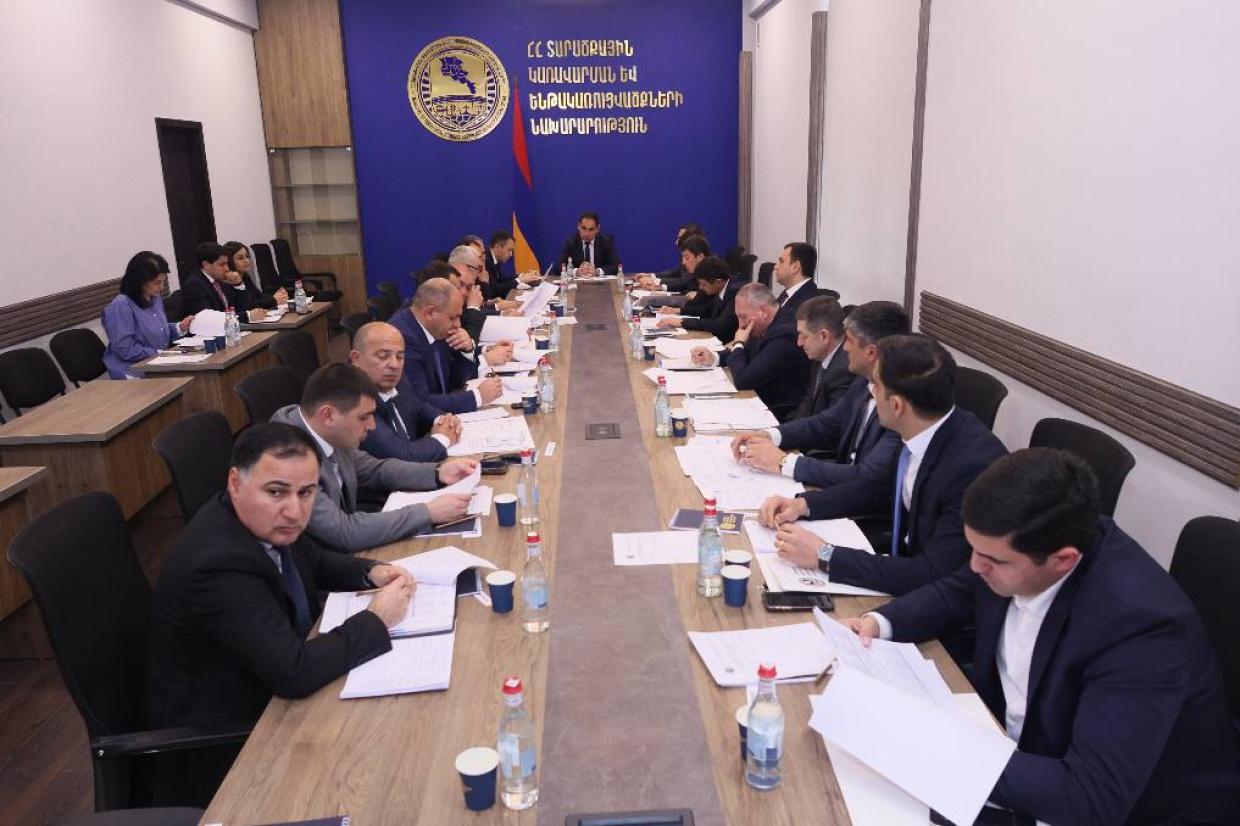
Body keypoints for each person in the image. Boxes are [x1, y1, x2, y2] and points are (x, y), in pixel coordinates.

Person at [849, 448, 1240, 824]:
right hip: (1019, 749)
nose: (975, 566)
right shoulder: (1018, 547)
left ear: (1063, 560)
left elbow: (1089, 797)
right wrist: (880, 623)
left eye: (991, 559)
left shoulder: (1140, 628)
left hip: (1124, 807)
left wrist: (935, 746)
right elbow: (959, 590)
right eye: (973, 549)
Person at [146, 422, 414, 734]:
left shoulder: (260, 519)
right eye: (276, 492)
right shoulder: (217, 565)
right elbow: (294, 672)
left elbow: (313, 560)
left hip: (271, 684)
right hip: (231, 730)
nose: (294, 511)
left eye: (306, 492)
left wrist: (370, 571)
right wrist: (377, 619)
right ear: (235, 483)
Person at [762, 334, 1007, 595]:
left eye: (875, 386)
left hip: (936, 594)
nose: (870, 393)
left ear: (897, 406)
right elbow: (877, 487)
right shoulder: (921, 427)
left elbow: (932, 572)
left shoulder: (971, 469)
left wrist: (825, 555)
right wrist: (802, 505)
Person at [270, 363, 476, 552]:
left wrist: (438, 473)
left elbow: (374, 469)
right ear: (328, 415)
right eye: (364, 417)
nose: (372, 425)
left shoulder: (325, 430)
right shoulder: (288, 459)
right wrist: (428, 512)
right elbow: (343, 532)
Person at [736, 301, 908, 520]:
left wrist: (783, 461)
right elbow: (826, 423)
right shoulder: (864, 382)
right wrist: (769, 435)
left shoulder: (901, 406)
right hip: (838, 493)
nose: (844, 348)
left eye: (849, 341)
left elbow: (866, 478)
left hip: (862, 513)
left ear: (871, 352)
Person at [689, 283, 812, 421]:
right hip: (756, 399)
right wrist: (714, 357)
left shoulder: (785, 336)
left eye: (743, 316)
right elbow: (747, 351)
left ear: (763, 311)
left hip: (775, 411)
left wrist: (738, 343)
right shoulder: (769, 323)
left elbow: (744, 380)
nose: (741, 325)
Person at [349, 320, 462, 462]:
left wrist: (445, 421)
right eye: (384, 356)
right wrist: (442, 438)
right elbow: (400, 456)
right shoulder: (354, 399)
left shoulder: (397, 378)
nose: (394, 365)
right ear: (356, 359)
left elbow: (419, 408)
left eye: (400, 357)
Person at [389, 277, 504, 413]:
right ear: (430, 313)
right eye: (453, 318)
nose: (458, 325)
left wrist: (467, 350)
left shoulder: (434, 327)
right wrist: (476, 397)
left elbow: (453, 381)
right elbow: (420, 403)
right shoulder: (403, 339)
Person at [101, 251, 195, 379]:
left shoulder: (154, 298)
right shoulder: (121, 304)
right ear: (140, 281)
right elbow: (125, 349)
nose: (161, 287)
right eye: (157, 282)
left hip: (156, 363)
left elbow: (157, 330)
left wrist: (180, 327)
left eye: (163, 281)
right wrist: (158, 353)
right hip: (132, 372)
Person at [788, 296, 855, 418]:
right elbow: (807, 405)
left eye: (804, 336)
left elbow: (831, 423)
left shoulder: (844, 371)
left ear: (824, 336)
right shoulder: (820, 358)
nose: (799, 343)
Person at [654, 255, 743, 341]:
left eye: (704, 284)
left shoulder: (735, 293)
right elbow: (706, 309)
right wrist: (678, 311)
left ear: (718, 282)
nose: (700, 287)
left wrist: (682, 322)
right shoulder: (721, 287)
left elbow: (720, 325)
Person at [181, 241, 266, 320]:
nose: (227, 269)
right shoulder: (194, 285)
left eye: (227, 264)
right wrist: (248, 315)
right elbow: (211, 319)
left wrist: (238, 285)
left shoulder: (220, 280)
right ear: (206, 264)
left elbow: (240, 309)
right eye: (222, 265)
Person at [222, 241, 288, 310]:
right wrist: (273, 300)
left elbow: (259, 296)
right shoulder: (228, 282)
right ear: (230, 261)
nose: (246, 260)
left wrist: (277, 297)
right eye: (240, 258)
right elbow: (249, 306)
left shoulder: (245, 276)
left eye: (247, 256)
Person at [770, 241, 823, 322]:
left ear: (795, 267)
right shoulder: (787, 294)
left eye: (781, 261)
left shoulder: (807, 303)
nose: (775, 267)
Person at [558, 211, 619, 276]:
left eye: (591, 229)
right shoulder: (571, 242)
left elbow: (616, 266)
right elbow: (559, 267)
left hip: (598, 281)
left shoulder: (606, 241)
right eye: (584, 228)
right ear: (578, 226)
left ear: (598, 229)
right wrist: (576, 271)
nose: (587, 234)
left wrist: (597, 271)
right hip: (578, 281)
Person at [484, 230, 541, 296]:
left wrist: (522, 276)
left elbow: (501, 280)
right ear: (497, 247)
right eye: (509, 250)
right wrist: (519, 280)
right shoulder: (485, 261)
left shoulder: (493, 258)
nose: (511, 255)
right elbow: (495, 289)